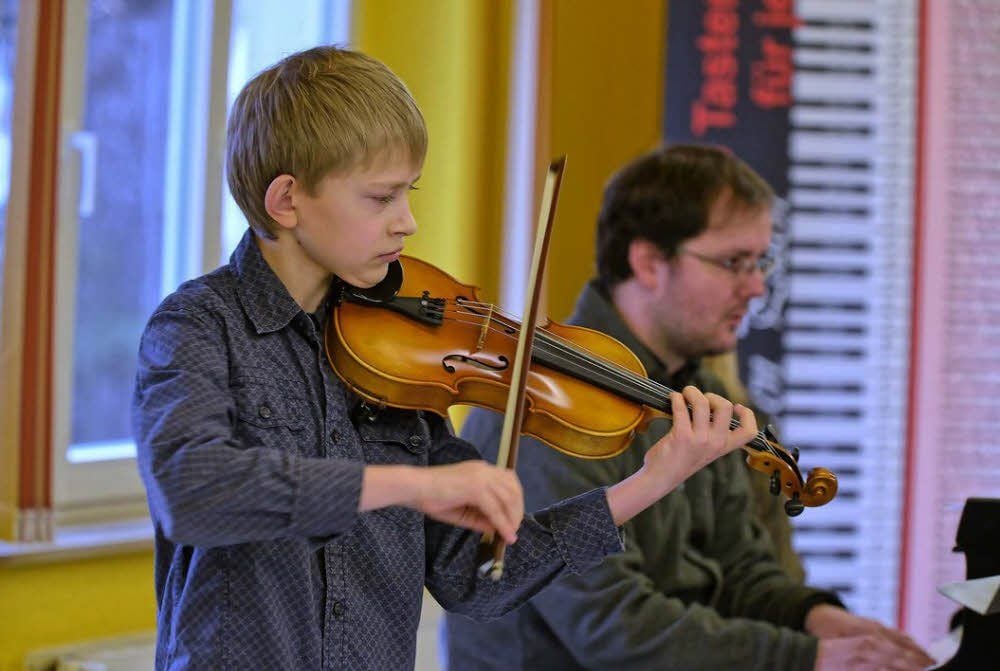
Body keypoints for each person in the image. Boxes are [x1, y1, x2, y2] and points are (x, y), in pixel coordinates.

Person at [130, 48, 759, 671]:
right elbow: (193, 490)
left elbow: (476, 581)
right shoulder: (200, 326)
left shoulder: (400, 352)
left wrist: (650, 481)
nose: (407, 222)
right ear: (288, 200)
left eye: (410, 192)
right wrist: (414, 486)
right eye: (381, 198)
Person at [444, 145, 934, 671]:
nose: (756, 286)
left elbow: (740, 569)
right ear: (650, 263)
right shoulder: (544, 405)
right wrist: (804, 658)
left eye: (760, 261)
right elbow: (612, 626)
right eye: (733, 263)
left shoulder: (699, 394)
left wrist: (816, 618)